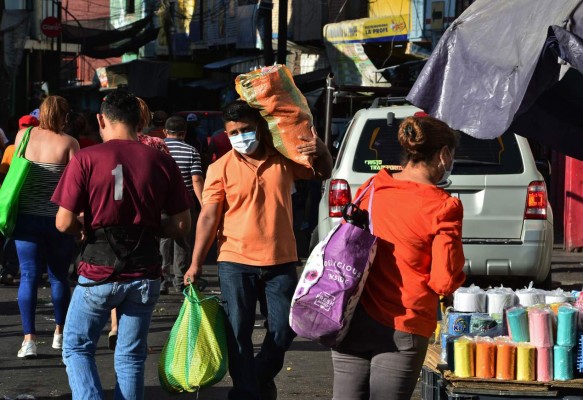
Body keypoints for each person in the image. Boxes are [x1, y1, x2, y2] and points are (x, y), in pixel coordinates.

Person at [183, 99, 333, 400]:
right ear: (227, 134)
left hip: (281, 260)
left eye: (246, 129)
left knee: (284, 329)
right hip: (234, 261)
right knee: (238, 332)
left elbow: (321, 173)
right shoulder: (219, 168)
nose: (241, 137)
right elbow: (209, 217)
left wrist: (322, 149)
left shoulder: (283, 159)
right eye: (234, 132)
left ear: (259, 128)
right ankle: (247, 392)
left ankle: (259, 375)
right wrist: (195, 262)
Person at [52, 89, 192, 399]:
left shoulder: (87, 158)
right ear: (138, 121)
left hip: (97, 268)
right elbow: (182, 224)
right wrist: (152, 228)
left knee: (76, 346)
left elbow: (62, 222)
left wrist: (83, 230)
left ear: (101, 119)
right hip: (144, 270)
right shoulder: (161, 160)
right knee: (130, 357)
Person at [331, 115, 466, 400]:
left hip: (351, 314)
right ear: (443, 155)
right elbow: (444, 281)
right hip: (404, 323)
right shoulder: (444, 206)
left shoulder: (371, 188)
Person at [11, 97, 80, 358]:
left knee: (28, 276)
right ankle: (59, 334)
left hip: (26, 218)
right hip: (58, 220)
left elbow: (15, 172)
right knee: (59, 277)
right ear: (62, 115)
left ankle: (28, 340)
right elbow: (77, 185)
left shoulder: (23, 137)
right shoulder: (69, 143)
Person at [107, 96, 170, 351]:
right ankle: (134, 333)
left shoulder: (112, 144)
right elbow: (165, 180)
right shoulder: (156, 145)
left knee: (115, 271)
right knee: (142, 274)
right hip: (146, 218)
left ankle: (114, 326)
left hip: (114, 216)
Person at [160, 116, 204, 294]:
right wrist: (203, 204)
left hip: (161, 203)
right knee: (183, 242)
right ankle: (180, 281)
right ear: (184, 133)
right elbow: (196, 179)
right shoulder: (192, 151)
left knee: (163, 241)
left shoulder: (158, 149)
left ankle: (163, 281)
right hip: (184, 204)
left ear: (165, 132)